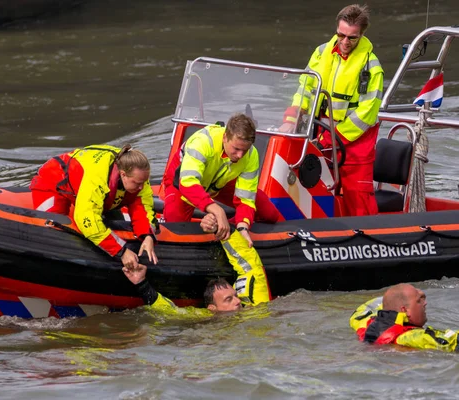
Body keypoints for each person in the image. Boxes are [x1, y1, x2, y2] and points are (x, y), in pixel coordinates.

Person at [279, 4, 384, 217]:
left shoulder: (371, 68)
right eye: (341, 35)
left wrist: (331, 138)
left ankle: (366, 240)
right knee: (314, 189)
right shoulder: (321, 53)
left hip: (354, 145)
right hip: (321, 134)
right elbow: (305, 89)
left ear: (362, 35)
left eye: (352, 38)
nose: (345, 42)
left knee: (358, 197)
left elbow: (366, 114)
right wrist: (291, 118)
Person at [30, 144, 158, 270]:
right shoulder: (98, 178)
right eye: (137, 183)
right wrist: (122, 252)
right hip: (53, 182)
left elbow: (143, 208)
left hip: (98, 193)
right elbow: (87, 220)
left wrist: (148, 235)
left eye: (143, 182)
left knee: (117, 224)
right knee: (55, 231)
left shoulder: (138, 175)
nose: (141, 186)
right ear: (123, 174)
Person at [162, 113, 280, 247]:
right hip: (181, 182)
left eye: (244, 150)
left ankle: (222, 225)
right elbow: (188, 183)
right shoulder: (203, 142)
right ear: (225, 137)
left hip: (220, 182)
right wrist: (216, 210)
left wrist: (243, 227)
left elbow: (246, 199)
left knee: (269, 213)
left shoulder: (251, 155)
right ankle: (216, 222)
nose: (240, 155)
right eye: (236, 149)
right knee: (175, 229)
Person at [122, 229, 271, 316]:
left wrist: (224, 230)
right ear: (213, 309)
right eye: (228, 299)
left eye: (235, 296)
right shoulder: (205, 317)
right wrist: (141, 283)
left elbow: (251, 268)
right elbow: (170, 311)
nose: (238, 301)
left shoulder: (255, 305)